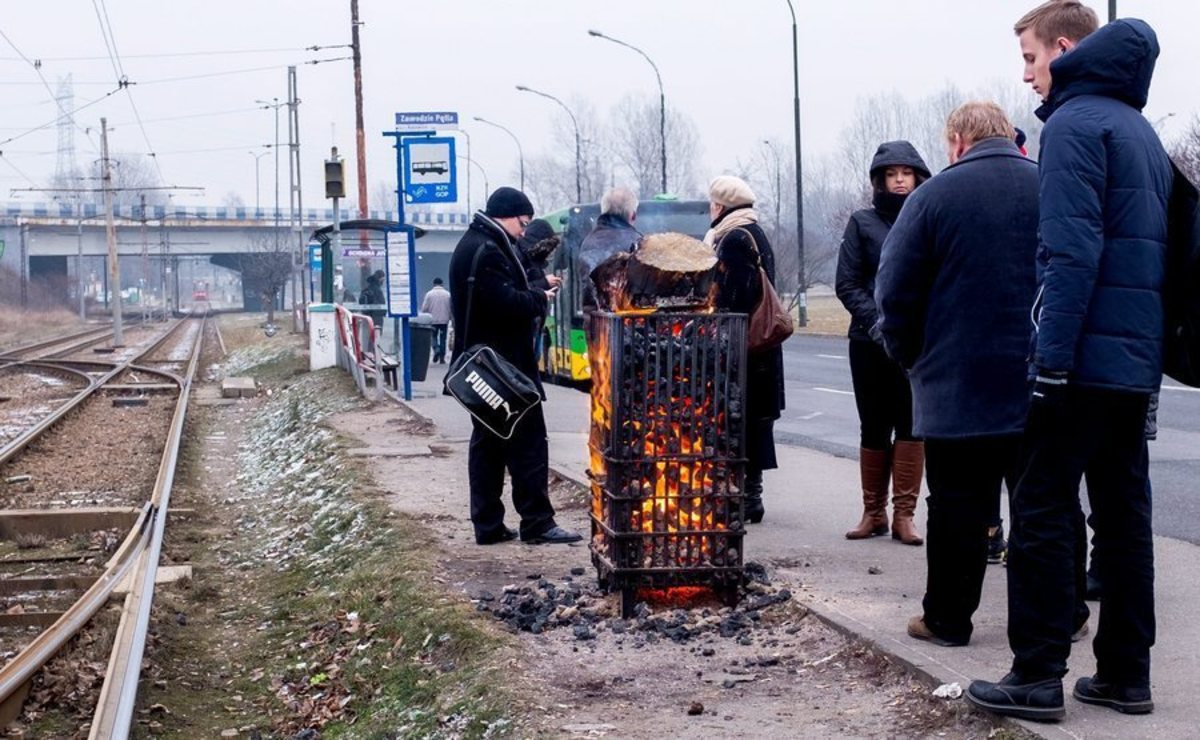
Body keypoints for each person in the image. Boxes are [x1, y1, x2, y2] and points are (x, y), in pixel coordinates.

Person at [966, 3, 1172, 721]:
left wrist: (1049, 360)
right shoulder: (1141, 133)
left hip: (1080, 357)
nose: (1026, 74)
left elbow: (1069, 254)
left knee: (1043, 506)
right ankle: (1124, 673)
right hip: (1133, 360)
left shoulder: (1076, 126)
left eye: (1028, 57)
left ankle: (1037, 674)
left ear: (1062, 47)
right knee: (1122, 517)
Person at [875, 102, 1039, 647]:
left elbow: (894, 292)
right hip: (1040, 383)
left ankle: (947, 619)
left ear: (957, 141)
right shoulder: (1047, 184)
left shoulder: (932, 197)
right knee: (1043, 505)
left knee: (957, 508)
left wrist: (911, 356)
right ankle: (1059, 615)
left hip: (956, 387)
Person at [447, 186, 582, 546]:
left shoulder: (476, 243)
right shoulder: (488, 250)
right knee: (529, 444)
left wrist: (533, 287)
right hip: (504, 368)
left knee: (489, 446)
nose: (524, 230)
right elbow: (505, 304)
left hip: (486, 366)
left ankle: (489, 525)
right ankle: (537, 522)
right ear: (505, 216)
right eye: (522, 223)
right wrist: (539, 297)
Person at [835, 141, 931, 546]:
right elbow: (848, 283)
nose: (898, 181)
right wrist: (879, 324)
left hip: (916, 344)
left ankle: (904, 516)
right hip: (869, 342)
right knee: (874, 424)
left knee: (911, 425)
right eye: (891, 174)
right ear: (879, 180)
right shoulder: (862, 222)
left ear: (917, 177)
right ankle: (873, 512)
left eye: (905, 174)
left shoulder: (928, 218)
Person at [704, 175, 785, 524]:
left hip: (743, 348)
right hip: (760, 348)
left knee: (738, 422)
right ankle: (751, 495)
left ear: (720, 206)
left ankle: (743, 498)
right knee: (754, 423)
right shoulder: (755, 231)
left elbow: (735, 296)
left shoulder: (734, 238)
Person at [578, 187, 641, 310]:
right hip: (630, 322)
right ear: (633, 215)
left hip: (594, 321)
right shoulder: (637, 242)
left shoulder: (587, 242)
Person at [421, 277, 452, 364]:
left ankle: (436, 349)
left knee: (433, 337)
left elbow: (424, 309)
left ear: (434, 284)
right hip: (444, 321)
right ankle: (442, 358)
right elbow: (451, 308)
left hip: (433, 321)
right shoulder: (448, 294)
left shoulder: (429, 294)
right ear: (442, 284)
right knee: (443, 339)